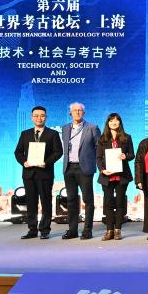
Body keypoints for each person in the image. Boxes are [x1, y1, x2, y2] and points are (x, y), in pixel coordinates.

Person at [13, 105, 63, 239]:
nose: (39, 118)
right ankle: (32, 230)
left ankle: (45, 230)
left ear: (46, 117)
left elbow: (58, 152)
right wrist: (24, 162)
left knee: (46, 202)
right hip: (29, 174)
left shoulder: (53, 134)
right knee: (31, 203)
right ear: (31, 117)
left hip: (45, 173)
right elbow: (18, 152)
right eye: (36, 116)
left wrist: (46, 162)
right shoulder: (25, 134)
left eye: (42, 116)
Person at [61, 102, 101, 240]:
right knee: (71, 199)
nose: (77, 112)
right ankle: (72, 230)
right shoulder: (65, 128)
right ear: (70, 113)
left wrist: (99, 165)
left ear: (83, 113)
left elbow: (99, 148)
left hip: (85, 168)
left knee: (88, 199)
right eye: (75, 110)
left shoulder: (92, 127)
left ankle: (87, 230)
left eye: (80, 110)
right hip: (69, 168)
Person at [95, 113, 135, 241]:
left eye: (116, 120)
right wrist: (102, 170)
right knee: (108, 203)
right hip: (107, 175)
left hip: (122, 175)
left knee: (120, 202)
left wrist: (125, 156)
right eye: (111, 120)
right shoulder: (102, 139)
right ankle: (109, 230)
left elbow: (132, 154)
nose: (114, 122)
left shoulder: (127, 137)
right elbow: (98, 157)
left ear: (120, 123)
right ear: (108, 123)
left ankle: (118, 230)